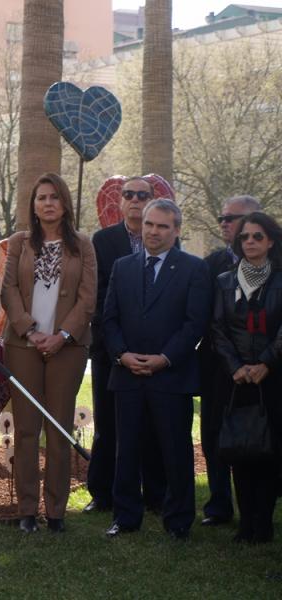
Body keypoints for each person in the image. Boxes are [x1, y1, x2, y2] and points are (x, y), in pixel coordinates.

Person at [103, 199, 211, 540]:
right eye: (149, 224)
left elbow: (195, 324)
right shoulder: (122, 266)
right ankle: (126, 517)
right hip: (128, 374)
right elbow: (108, 320)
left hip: (171, 376)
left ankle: (178, 520)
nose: (153, 231)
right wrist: (122, 355)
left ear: (176, 231)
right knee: (127, 450)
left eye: (163, 226)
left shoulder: (194, 269)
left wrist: (165, 358)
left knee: (175, 450)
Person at [0, 173, 96, 533]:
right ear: (33, 205)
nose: (48, 203)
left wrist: (62, 335)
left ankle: (55, 511)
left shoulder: (83, 245)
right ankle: (27, 511)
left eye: (54, 196)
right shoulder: (19, 242)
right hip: (23, 344)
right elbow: (8, 290)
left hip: (67, 348)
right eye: (41, 197)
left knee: (58, 428)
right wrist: (30, 330)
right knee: (26, 429)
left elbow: (88, 298)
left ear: (65, 202)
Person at [86, 176, 166, 514]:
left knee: (151, 425)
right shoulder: (103, 241)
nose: (134, 199)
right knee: (108, 426)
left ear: (151, 200)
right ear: (119, 201)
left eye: (142, 195)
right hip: (111, 349)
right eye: (128, 194)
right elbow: (99, 296)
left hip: (153, 353)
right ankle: (103, 494)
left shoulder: (164, 238)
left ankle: (155, 495)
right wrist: (119, 347)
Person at [211, 211, 282, 543]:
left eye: (257, 236)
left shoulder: (281, 279)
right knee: (241, 448)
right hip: (236, 379)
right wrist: (235, 366)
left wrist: (266, 363)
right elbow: (217, 329)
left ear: (270, 240)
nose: (250, 242)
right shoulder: (225, 281)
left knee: (268, 450)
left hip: (273, 377)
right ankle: (245, 522)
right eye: (244, 237)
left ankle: (263, 523)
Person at [198, 195, 262, 527]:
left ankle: (256, 507)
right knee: (212, 435)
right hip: (216, 366)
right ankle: (219, 505)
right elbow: (204, 318)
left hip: (260, 370)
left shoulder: (273, 264)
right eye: (222, 218)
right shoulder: (209, 264)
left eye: (232, 218)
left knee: (255, 435)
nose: (224, 223)